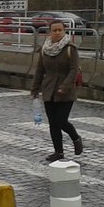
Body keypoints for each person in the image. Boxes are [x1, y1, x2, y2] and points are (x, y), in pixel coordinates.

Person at [31, 20, 83, 162]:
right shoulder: (45, 49)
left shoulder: (70, 48)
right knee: (53, 123)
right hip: (49, 90)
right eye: (54, 30)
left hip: (65, 91)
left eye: (60, 30)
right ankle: (58, 152)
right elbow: (40, 70)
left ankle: (76, 138)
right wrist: (35, 89)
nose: (57, 33)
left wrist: (64, 86)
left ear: (64, 31)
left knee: (61, 120)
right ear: (50, 32)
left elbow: (73, 71)